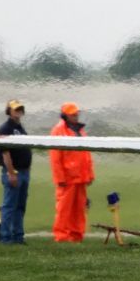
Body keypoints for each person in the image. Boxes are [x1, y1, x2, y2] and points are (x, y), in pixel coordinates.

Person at [49, 102, 95, 242]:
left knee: (79, 209)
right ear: (65, 115)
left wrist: (90, 174)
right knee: (64, 209)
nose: (76, 116)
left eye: (76, 113)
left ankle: (76, 235)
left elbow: (86, 154)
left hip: (80, 177)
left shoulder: (79, 130)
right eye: (72, 114)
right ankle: (61, 236)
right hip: (67, 178)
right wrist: (60, 178)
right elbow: (55, 157)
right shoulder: (58, 130)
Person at [0, 99, 32, 244]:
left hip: (24, 172)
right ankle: (5, 237)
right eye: (15, 109)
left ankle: (18, 236)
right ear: (9, 111)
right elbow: (5, 153)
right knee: (10, 206)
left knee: (20, 206)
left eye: (20, 109)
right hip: (14, 172)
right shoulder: (5, 128)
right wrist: (11, 173)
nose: (18, 111)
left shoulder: (20, 127)